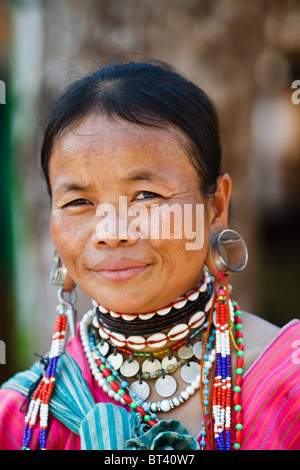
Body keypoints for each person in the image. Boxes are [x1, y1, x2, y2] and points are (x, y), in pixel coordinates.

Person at [0, 59, 299, 451]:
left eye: (146, 196)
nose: (111, 233)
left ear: (216, 206)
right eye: (78, 202)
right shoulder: (24, 416)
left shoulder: (287, 385)